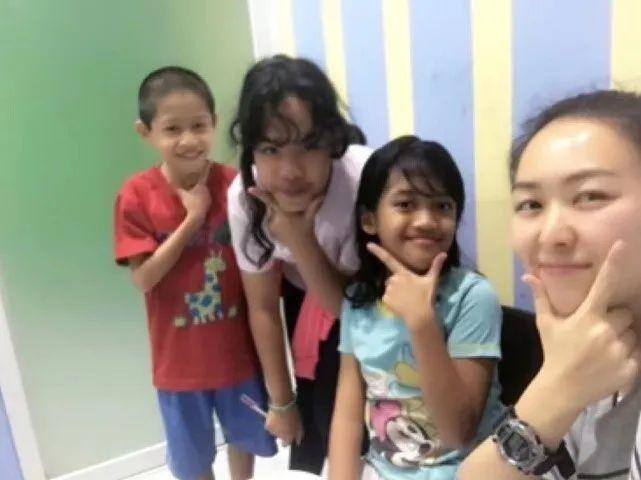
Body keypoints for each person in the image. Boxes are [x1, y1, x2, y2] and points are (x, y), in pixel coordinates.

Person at [458, 90, 641, 480]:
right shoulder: (590, 344)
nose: (551, 234)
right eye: (531, 204)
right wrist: (557, 390)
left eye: (590, 196)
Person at [113, 66, 276, 480]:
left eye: (199, 126)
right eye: (172, 129)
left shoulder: (235, 184)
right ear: (145, 131)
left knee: (245, 438)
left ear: (214, 123)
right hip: (178, 364)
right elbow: (143, 279)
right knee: (191, 458)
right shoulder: (136, 195)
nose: (188, 140)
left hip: (238, 355)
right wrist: (193, 220)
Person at [227, 54, 371, 475]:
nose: (290, 171)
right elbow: (262, 307)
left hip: (367, 299)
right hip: (300, 288)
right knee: (314, 417)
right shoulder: (244, 198)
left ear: (332, 140)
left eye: (308, 146)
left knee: (363, 418)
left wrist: (299, 239)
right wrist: (281, 403)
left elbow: (352, 311)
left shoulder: (362, 181)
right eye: (271, 149)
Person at [328, 136, 504, 479]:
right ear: (369, 220)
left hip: (469, 470)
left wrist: (421, 322)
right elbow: (348, 417)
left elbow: (458, 432)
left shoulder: (473, 297)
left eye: (442, 206)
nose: (426, 220)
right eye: (406, 204)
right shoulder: (359, 301)